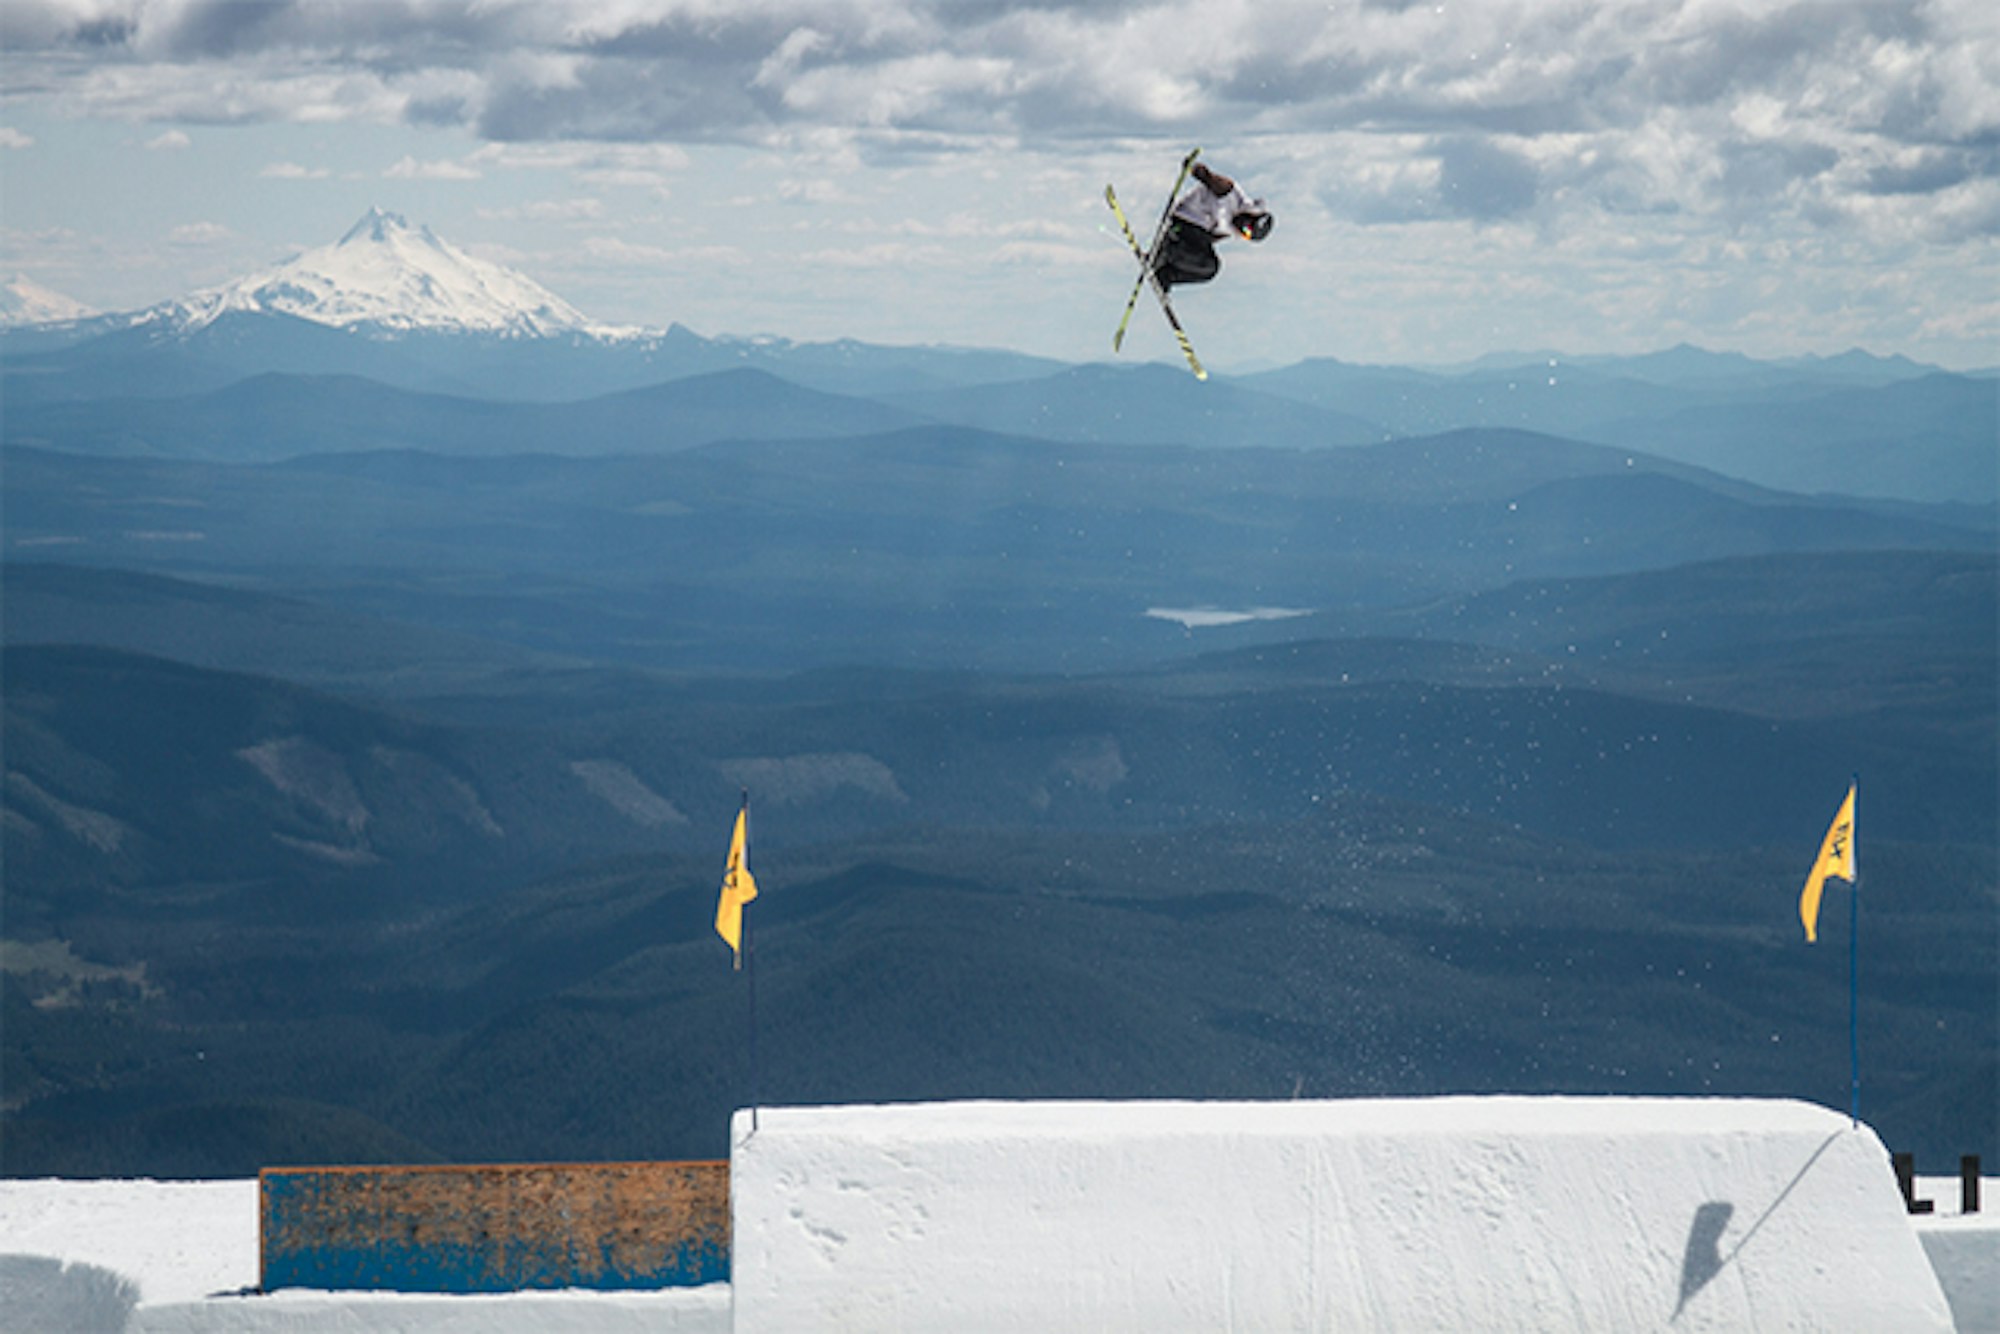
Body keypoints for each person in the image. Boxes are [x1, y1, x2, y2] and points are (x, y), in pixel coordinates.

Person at [1153, 162, 1273, 290]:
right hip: (1185, 220)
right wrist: (1194, 169)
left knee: (1209, 270)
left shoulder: (1231, 231)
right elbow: (1208, 177)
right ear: (1251, 215)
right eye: (1247, 228)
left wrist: (1190, 260)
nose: (1243, 230)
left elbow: (1208, 241)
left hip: (1193, 233)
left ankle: (1165, 274)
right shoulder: (1230, 193)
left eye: (1246, 235)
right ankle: (1167, 251)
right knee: (1209, 263)